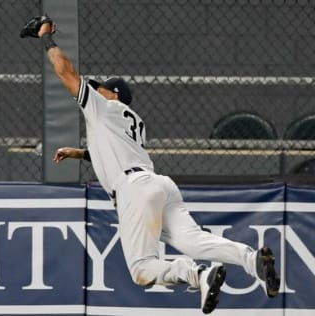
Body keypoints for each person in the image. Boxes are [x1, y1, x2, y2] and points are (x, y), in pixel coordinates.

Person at [24, 16, 280, 314]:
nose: (97, 89)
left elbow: (65, 71)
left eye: (103, 87)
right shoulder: (134, 123)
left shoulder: (103, 107)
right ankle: (252, 260)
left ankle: (197, 275)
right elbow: (117, 151)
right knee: (194, 240)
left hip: (134, 190)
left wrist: (46, 38)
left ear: (115, 95)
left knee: (141, 269)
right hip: (158, 184)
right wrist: (82, 153)